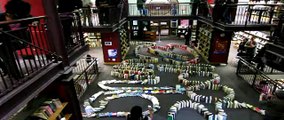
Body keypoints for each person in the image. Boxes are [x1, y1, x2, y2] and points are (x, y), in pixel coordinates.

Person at [0, 0, 32, 79]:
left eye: (12, 15)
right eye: (8, 14)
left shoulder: (21, 16)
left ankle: (14, 73)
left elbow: (33, 18)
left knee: (4, 50)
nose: (10, 16)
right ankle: (8, 70)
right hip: (6, 41)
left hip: (20, 40)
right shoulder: (1, 16)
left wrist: (35, 22)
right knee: (3, 49)